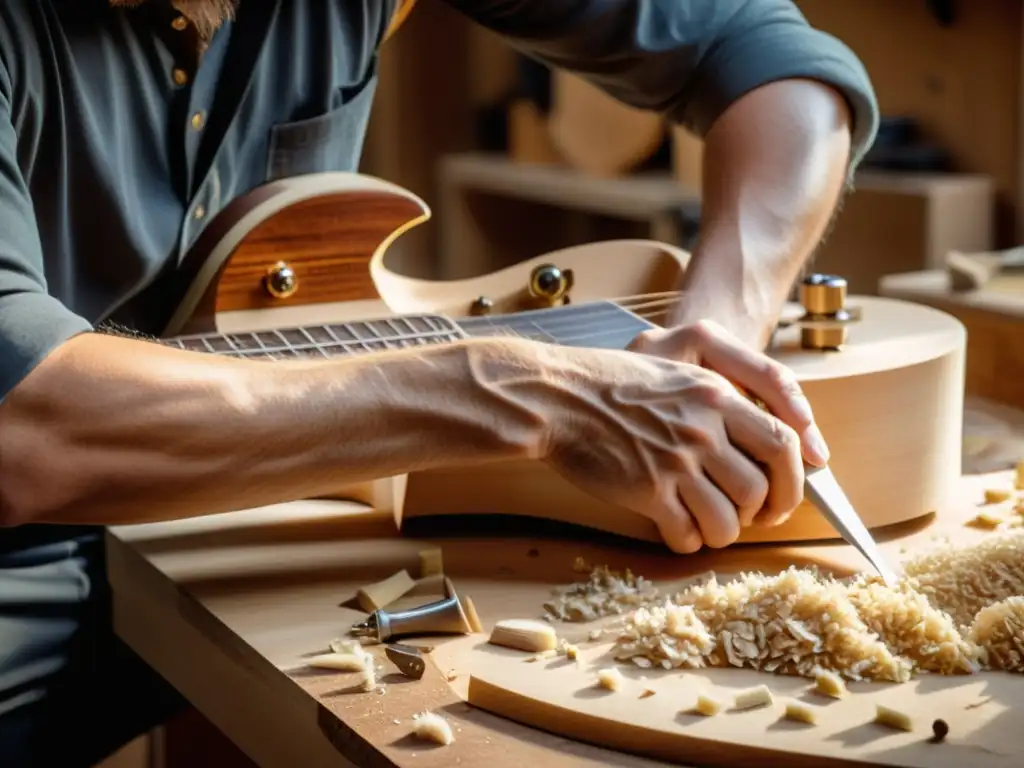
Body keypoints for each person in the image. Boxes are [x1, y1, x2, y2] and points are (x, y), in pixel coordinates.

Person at [0, 0, 878, 764]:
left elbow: (775, 69)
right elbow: (24, 429)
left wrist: (717, 331)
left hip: (267, 523)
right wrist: (517, 389)